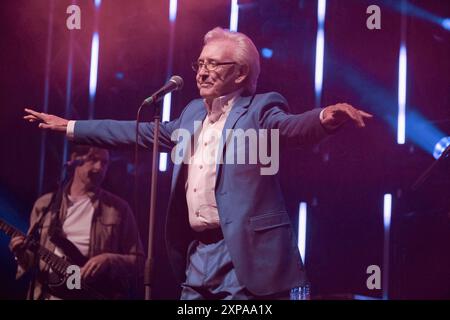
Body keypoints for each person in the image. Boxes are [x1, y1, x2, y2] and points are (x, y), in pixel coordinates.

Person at [23, 27, 372, 299]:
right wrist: (70, 127)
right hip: (197, 255)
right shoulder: (191, 114)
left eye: (212, 64)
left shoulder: (260, 108)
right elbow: (136, 132)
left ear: (239, 73)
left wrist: (327, 116)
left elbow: (292, 127)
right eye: (200, 64)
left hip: (241, 253)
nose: (202, 72)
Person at [9, 146, 144, 299]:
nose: (99, 167)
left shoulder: (119, 209)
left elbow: (139, 263)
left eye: (104, 163)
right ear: (74, 159)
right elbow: (32, 262)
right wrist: (20, 254)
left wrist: (109, 260)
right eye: (93, 159)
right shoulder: (45, 204)